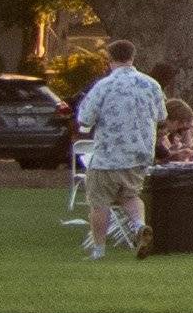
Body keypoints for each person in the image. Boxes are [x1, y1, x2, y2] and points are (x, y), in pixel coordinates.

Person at [69, 46, 168, 257]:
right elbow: (161, 117)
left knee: (99, 201)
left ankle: (99, 249)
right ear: (133, 57)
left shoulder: (104, 85)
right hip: (140, 154)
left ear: (110, 58)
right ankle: (139, 225)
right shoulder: (152, 84)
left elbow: (84, 118)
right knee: (130, 195)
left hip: (108, 155)